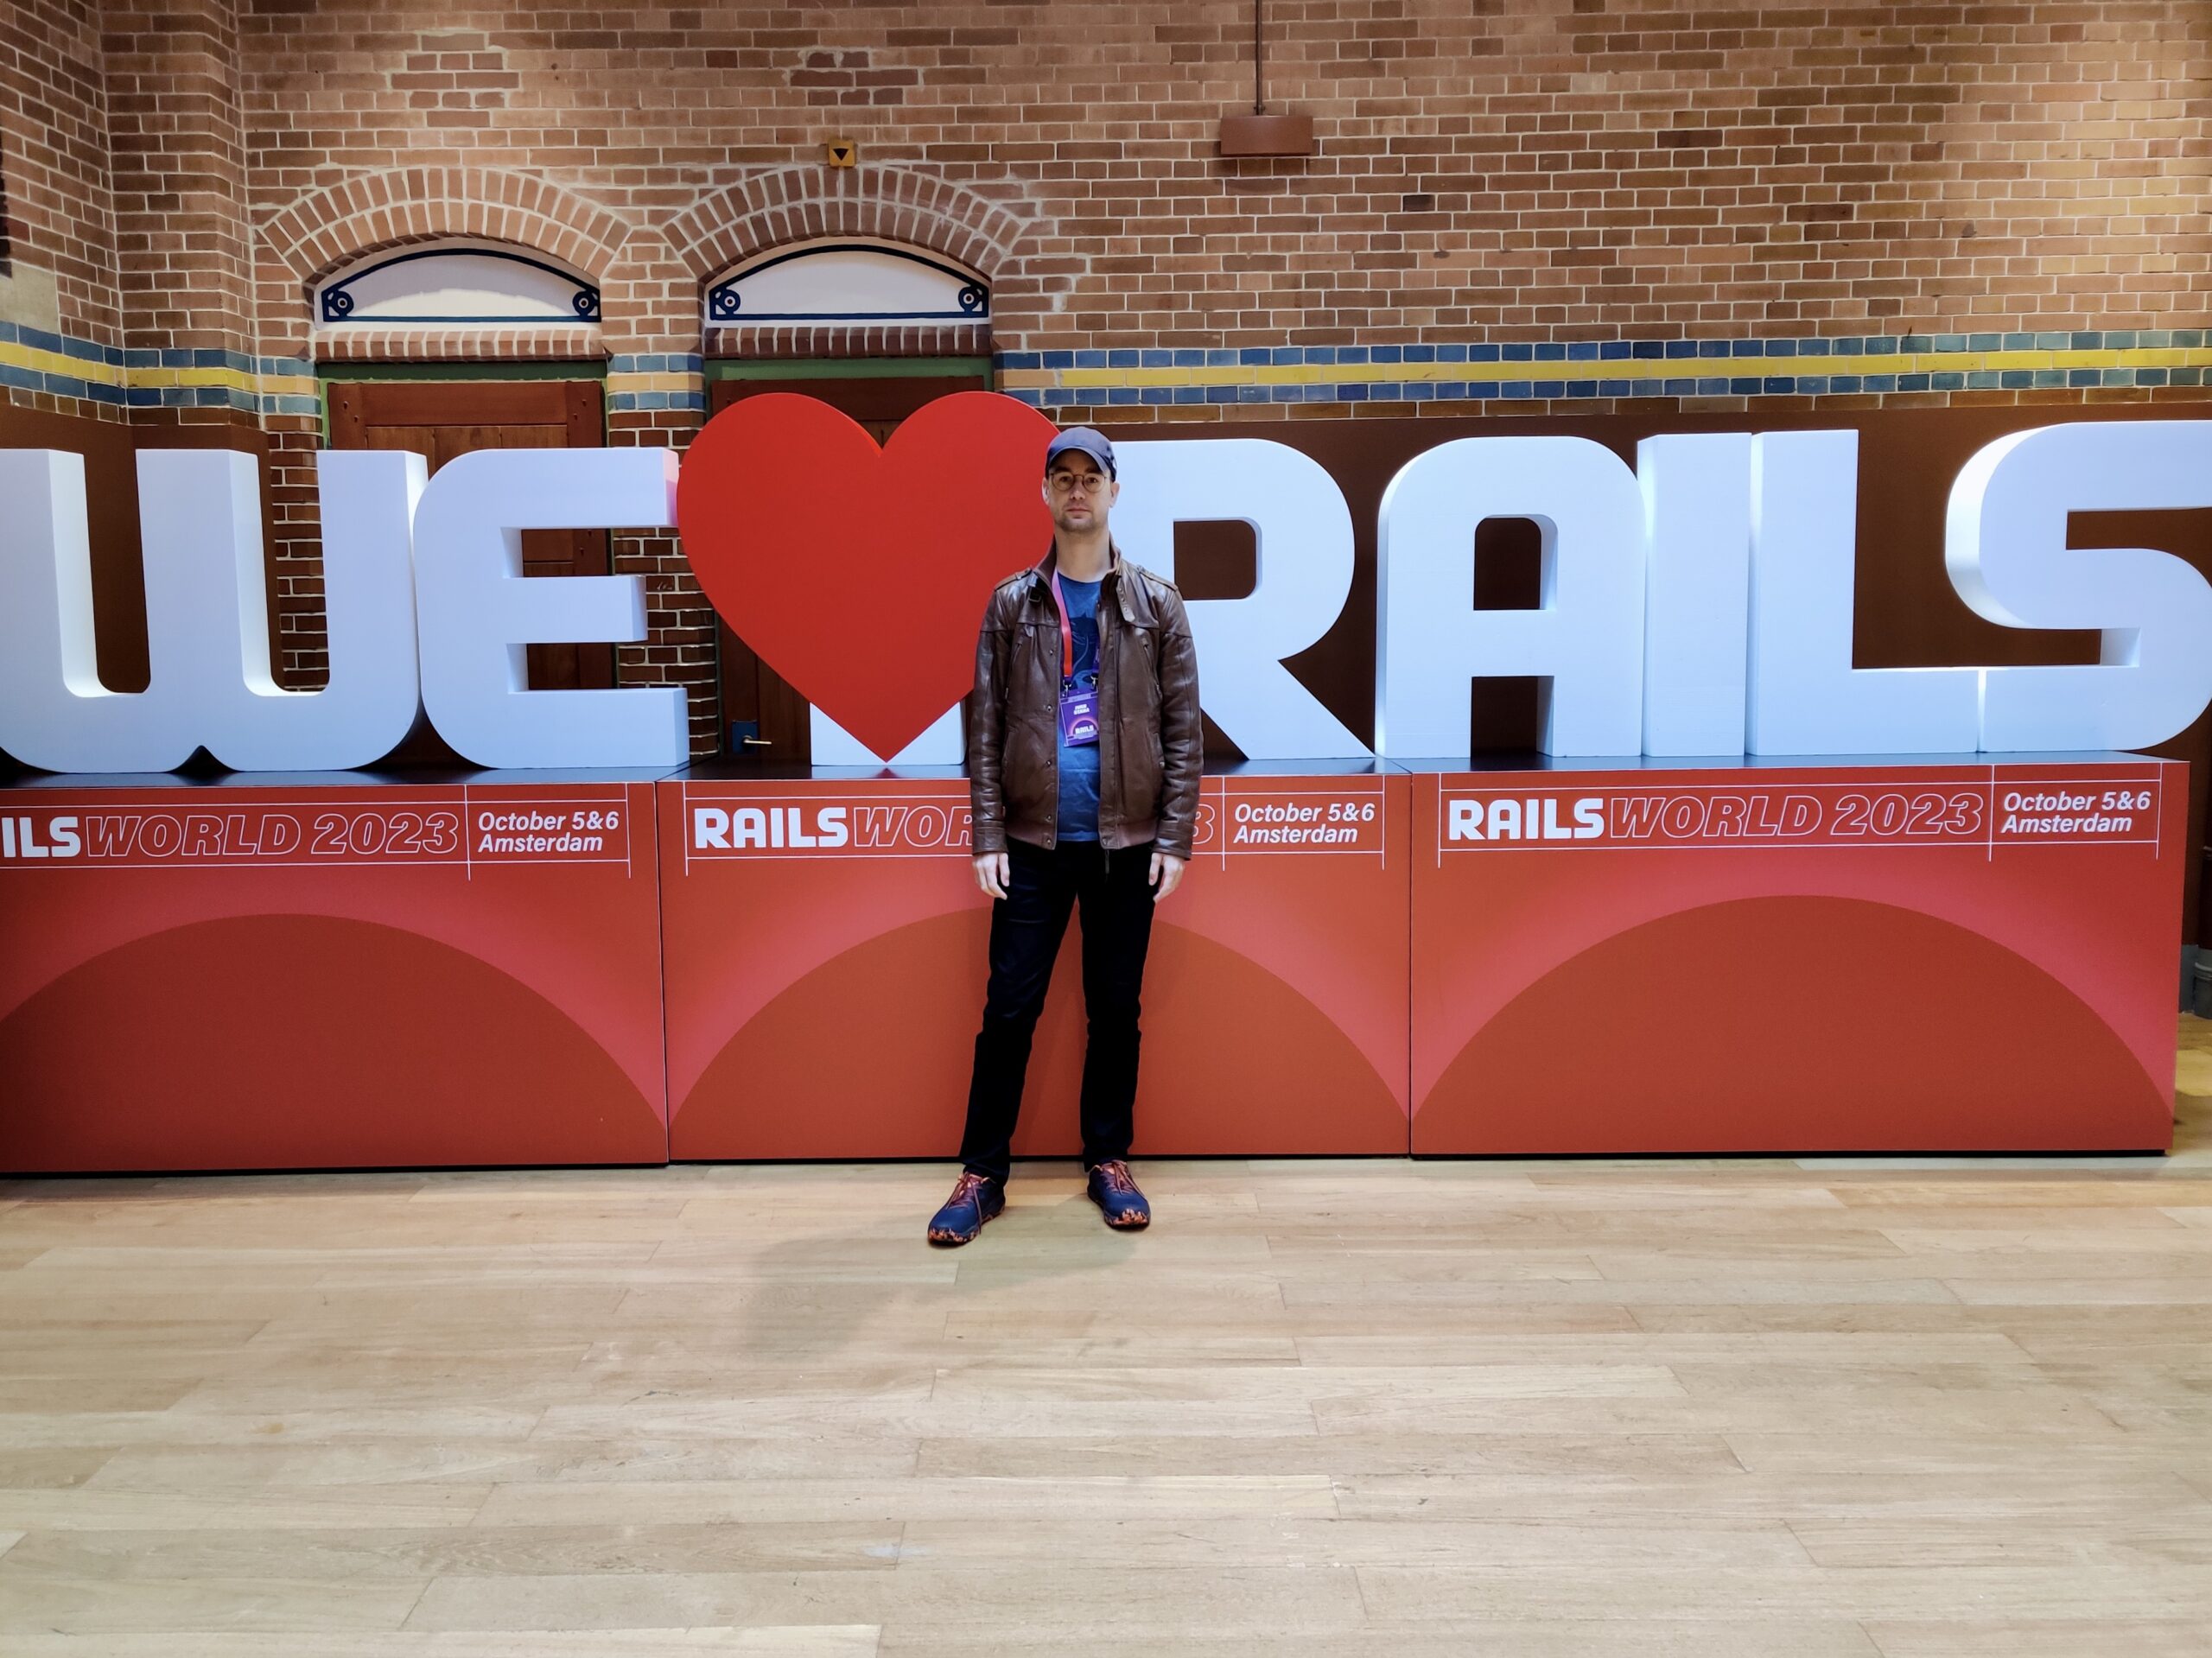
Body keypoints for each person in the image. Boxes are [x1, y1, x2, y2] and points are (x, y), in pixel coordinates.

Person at [927, 427, 1202, 1245]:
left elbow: (1184, 730)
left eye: (1091, 477)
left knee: (1116, 1009)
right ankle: (983, 1174)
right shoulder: (1010, 603)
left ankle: (1107, 1159)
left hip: (1126, 844)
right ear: (1045, 495)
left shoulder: (1158, 603)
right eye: (1063, 478)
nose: (1077, 492)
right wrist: (986, 835)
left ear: (1115, 491)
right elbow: (984, 729)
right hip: (1032, 845)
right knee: (1009, 1009)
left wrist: (1176, 836)